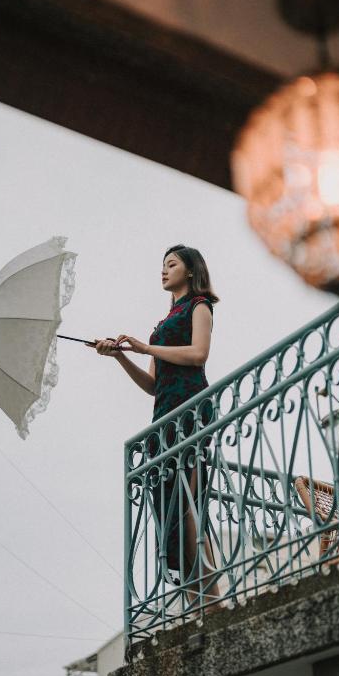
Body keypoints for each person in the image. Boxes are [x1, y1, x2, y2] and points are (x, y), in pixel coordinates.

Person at [86, 244, 222, 614]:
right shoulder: (162, 325)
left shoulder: (200, 306)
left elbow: (198, 355)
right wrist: (121, 357)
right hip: (163, 417)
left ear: (190, 270)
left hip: (191, 408)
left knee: (189, 507)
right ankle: (198, 603)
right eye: (162, 265)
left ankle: (212, 603)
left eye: (171, 264)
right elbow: (151, 386)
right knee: (171, 513)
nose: (163, 271)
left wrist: (146, 348)